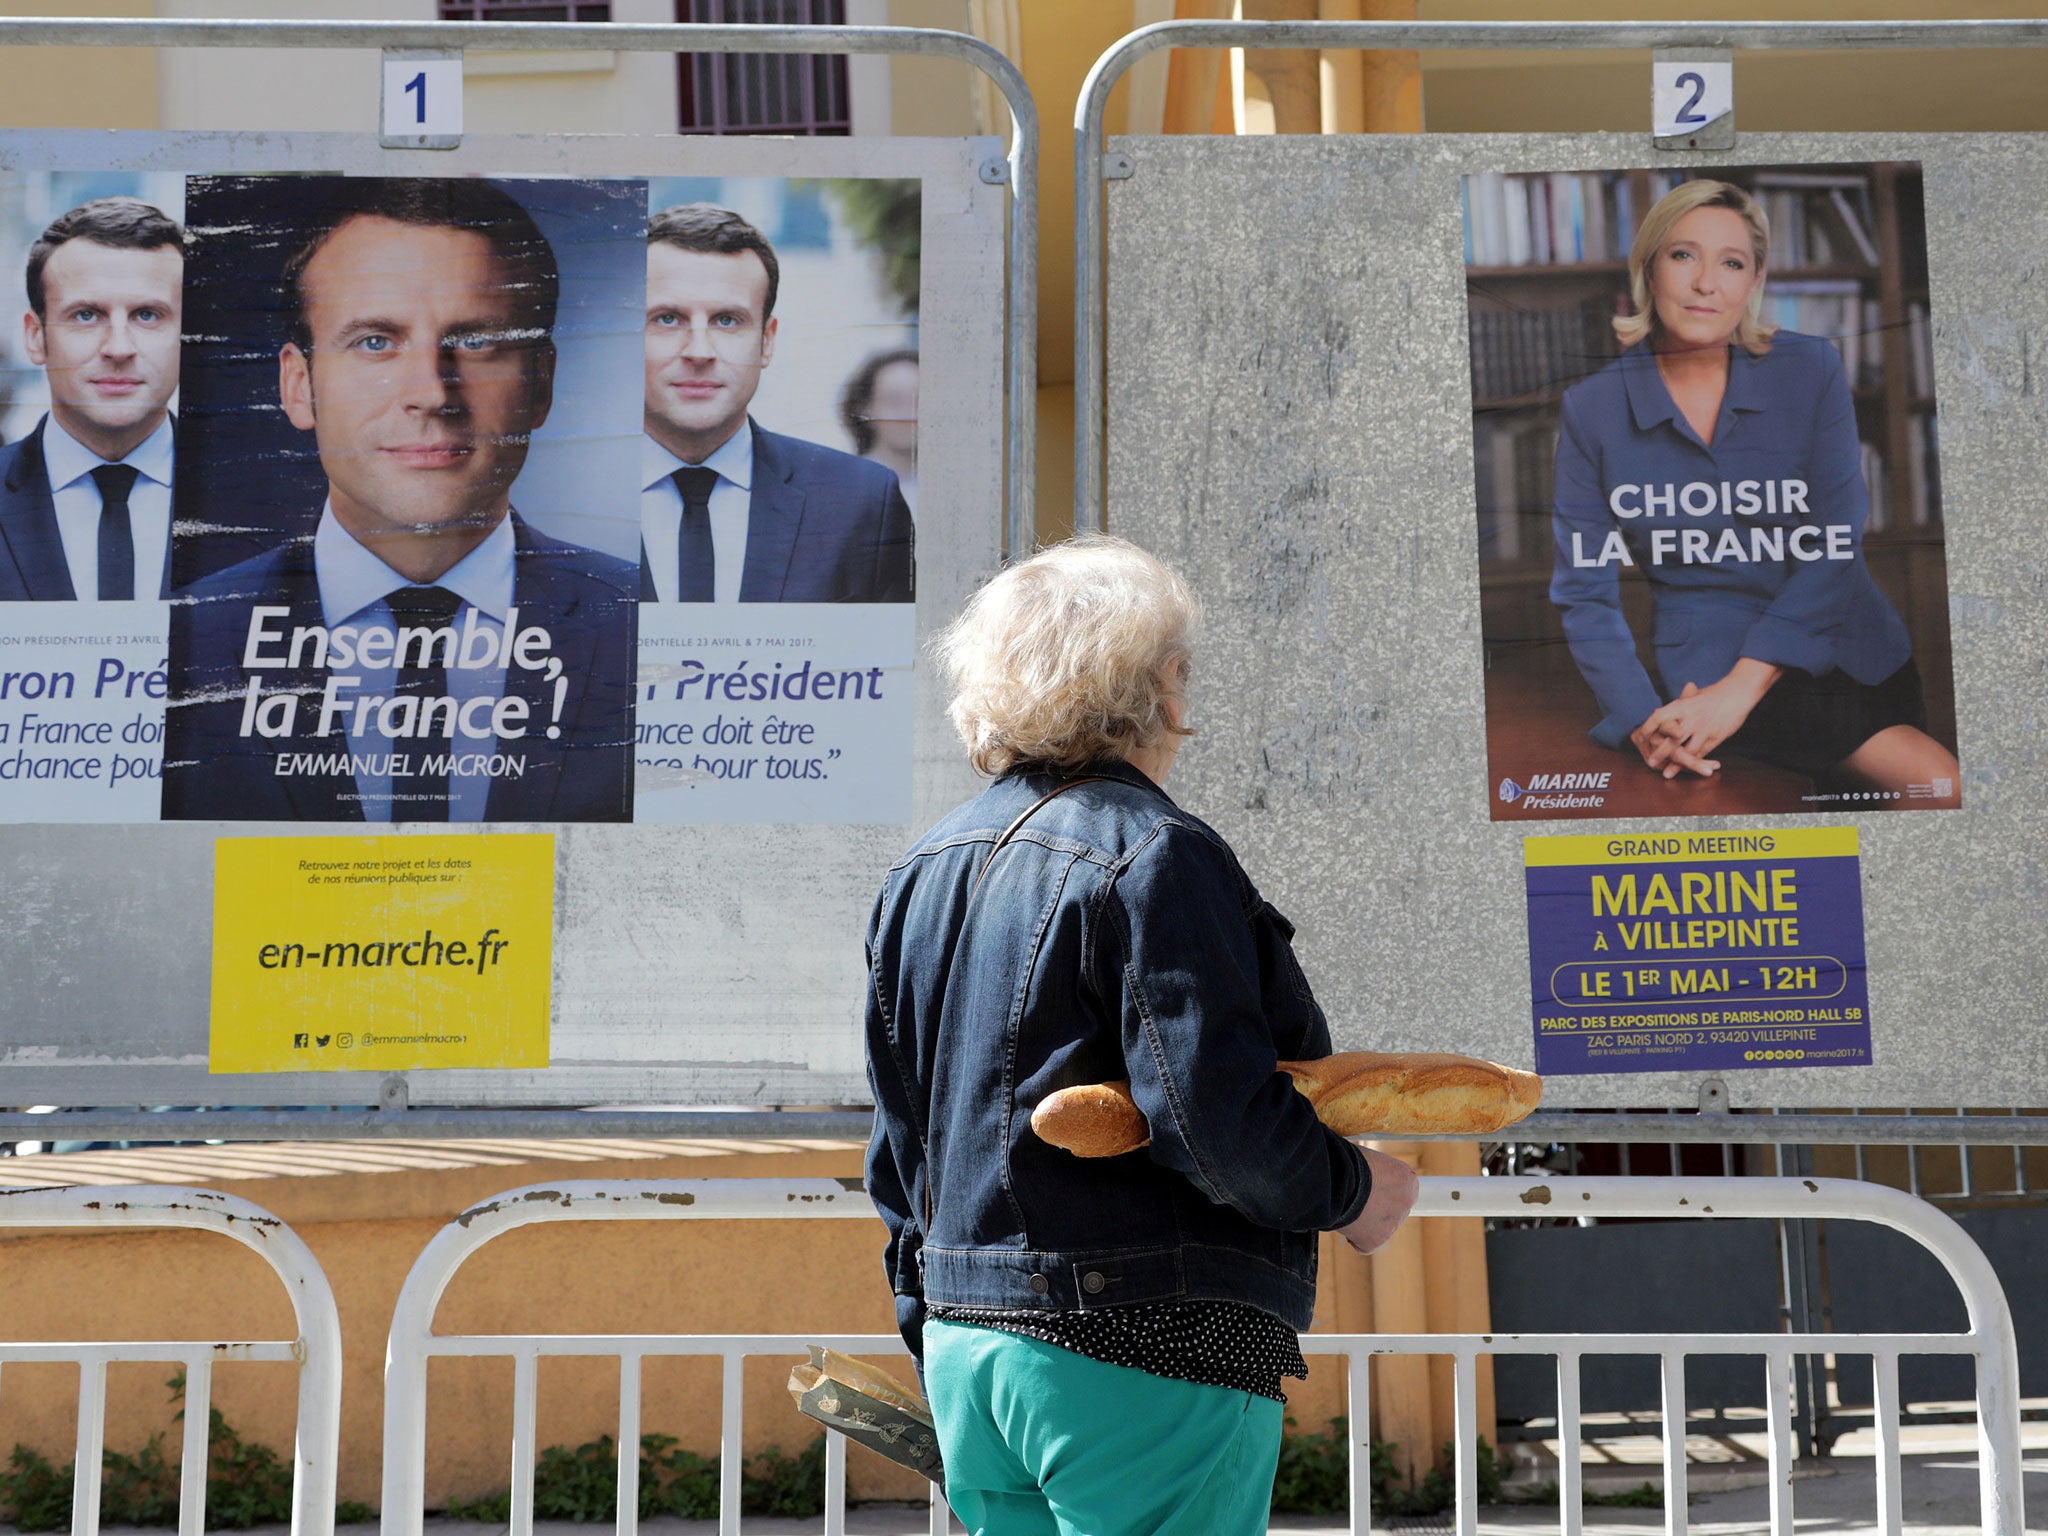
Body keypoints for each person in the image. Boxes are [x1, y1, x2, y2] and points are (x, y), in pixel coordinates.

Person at [864, 536, 1418, 1536]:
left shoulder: (923, 869)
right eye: (1181, 667)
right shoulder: (1155, 853)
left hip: (970, 1349)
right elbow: (1216, 1119)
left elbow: (901, 1152)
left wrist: (935, 1329)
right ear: (1158, 689)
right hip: (1142, 1343)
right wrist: (1353, 1191)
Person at [163, 178, 637, 823]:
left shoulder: (646, 625)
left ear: (541, 382)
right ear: (299, 385)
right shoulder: (180, 638)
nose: (432, 393)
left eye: (475, 341)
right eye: (375, 342)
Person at [1551, 177, 1961, 807]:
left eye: (1732, 262)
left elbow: (1836, 538)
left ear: (1753, 280)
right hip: (1711, 676)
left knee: (1909, 829)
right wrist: (1645, 722)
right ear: (1649, 268)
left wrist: (1741, 688)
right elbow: (1585, 591)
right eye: (1683, 255)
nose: (1706, 283)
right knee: (1940, 790)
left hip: (1855, 649)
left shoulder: (1811, 367)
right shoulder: (1593, 408)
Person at [640, 202, 913, 603]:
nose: (699, 351)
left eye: (727, 320)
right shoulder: (556, 501)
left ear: (766, 341)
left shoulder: (863, 502)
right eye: (668, 319)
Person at [0, 197, 182, 601]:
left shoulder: (264, 505)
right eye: (86, 315)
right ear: (35, 336)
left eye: (147, 315)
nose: (118, 348)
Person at [838, 347, 918, 514]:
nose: (907, 414)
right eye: (893, 401)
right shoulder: (841, 487)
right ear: (865, 409)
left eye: (918, 401)